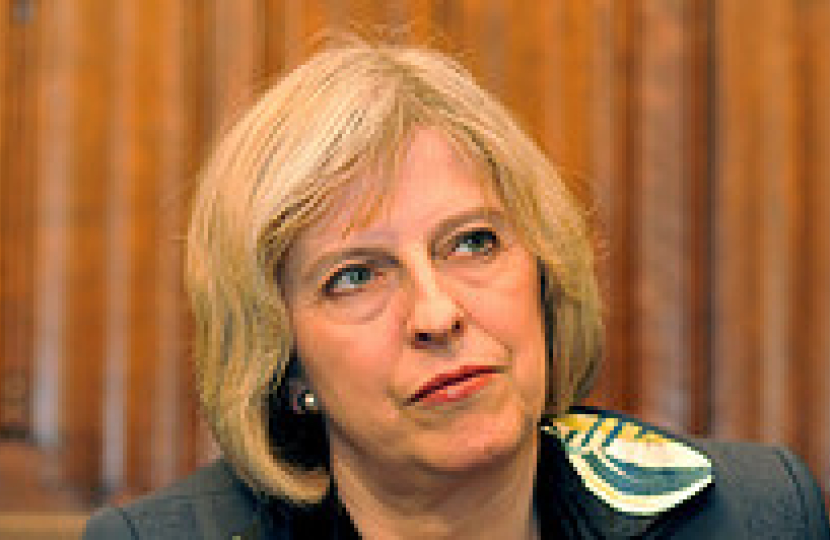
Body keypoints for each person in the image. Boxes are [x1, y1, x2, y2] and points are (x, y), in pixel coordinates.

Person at [84, 39, 829, 539]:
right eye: (354, 277)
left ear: (544, 273)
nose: (437, 314)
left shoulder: (754, 516)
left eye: (473, 243)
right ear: (284, 360)